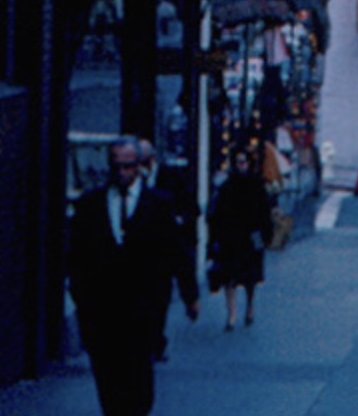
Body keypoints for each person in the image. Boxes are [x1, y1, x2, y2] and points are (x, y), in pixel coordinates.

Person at [68, 137, 198, 416]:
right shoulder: (91, 205)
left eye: (128, 167)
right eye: (116, 167)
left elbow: (177, 251)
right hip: (103, 313)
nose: (122, 173)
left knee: (139, 381)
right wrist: (82, 299)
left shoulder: (159, 205)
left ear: (139, 166)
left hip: (143, 310)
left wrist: (190, 295)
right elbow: (76, 255)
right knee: (108, 381)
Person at [136, 139, 198, 362]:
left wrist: (179, 219)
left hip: (163, 253)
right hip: (138, 253)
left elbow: (191, 207)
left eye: (143, 162)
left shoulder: (172, 178)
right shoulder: (129, 182)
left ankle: (156, 342)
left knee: (159, 300)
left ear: (152, 159)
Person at [209, 145, 274, 330]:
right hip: (231, 237)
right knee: (228, 277)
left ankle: (249, 306)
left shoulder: (256, 185)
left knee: (249, 278)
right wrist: (216, 236)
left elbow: (264, 211)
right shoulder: (227, 186)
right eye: (238, 162)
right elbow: (218, 213)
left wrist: (265, 233)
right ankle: (231, 313)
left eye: (243, 162)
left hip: (250, 237)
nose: (241, 166)